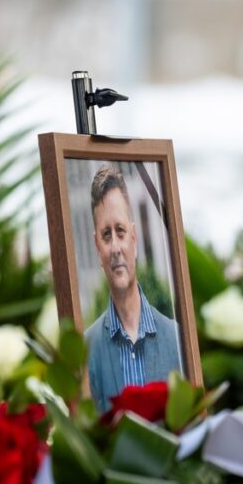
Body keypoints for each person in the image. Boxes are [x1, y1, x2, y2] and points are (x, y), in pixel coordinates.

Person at [84, 165, 182, 413]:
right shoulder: (86, 350)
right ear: (97, 247)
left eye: (120, 231)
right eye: (106, 235)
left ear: (134, 239)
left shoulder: (178, 340)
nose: (115, 248)